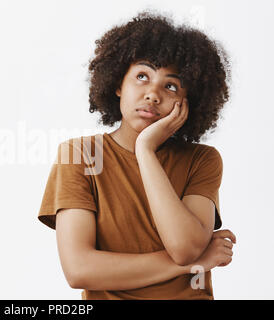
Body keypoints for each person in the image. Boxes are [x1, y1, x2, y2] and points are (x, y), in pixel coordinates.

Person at [37, 10, 237, 300]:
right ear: (118, 84)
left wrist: (145, 150)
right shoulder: (78, 155)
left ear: (188, 100)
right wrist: (195, 263)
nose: (153, 94)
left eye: (170, 85)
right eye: (142, 76)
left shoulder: (202, 160)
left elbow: (185, 248)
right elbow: (79, 270)